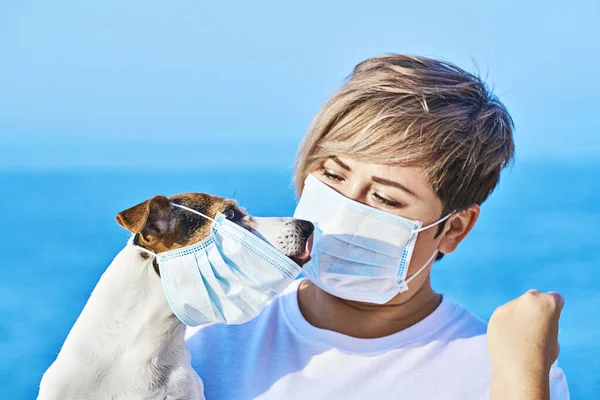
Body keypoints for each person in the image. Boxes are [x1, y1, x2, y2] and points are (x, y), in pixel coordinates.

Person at [185, 54, 569, 399]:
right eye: (333, 175)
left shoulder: (507, 373)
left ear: (454, 229)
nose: (342, 208)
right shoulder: (202, 332)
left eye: (385, 199)